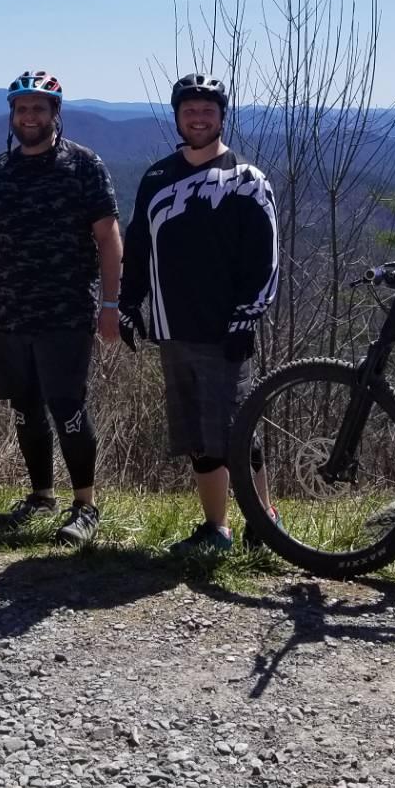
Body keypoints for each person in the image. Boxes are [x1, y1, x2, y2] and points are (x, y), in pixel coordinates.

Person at [0, 69, 123, 546]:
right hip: (8, 311)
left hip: (66, 312)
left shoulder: (84, 166)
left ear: (54, 114)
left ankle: (85, 506)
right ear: (12, 114)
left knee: (67, 407)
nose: (30, 117)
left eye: (39, 109)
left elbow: (108, 238)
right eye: (22, 109)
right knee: (25, 409)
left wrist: (111, 302)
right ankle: (41, 496)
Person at [118, 73, 278, 553]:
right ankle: (217, 529)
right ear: (177, 116)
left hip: (225, 330)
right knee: (198, 438)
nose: (199, 117)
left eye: (208, 110)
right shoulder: (157, 178)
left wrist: (247, 317)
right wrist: (126, 303)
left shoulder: (248, 182)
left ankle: (264, 524)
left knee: (235, 432)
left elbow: (266, 260)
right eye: (190, 110)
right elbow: (140, 245)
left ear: (222, 116)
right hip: (173, 329)